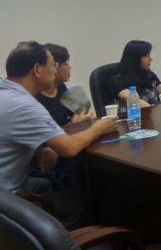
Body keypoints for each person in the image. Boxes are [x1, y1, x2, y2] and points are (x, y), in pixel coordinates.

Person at [0, 42, 119, 228]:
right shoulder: (24, 106)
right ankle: (52, 244)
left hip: (10, 185)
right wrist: (99, 128)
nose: (55, 70)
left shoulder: (5, 91)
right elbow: (69, 148)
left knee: (45, 185)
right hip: (7, 203)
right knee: (80, 203)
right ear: (37, 69)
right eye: (53, 65)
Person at [30, 43, 94, 191]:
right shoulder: (34, 99)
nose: (69, 67)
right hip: (48, 158)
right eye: (65, 64)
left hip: (64, 146)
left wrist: (77, 121)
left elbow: (79, 112)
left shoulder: (60, 88)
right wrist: (75, 126)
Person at [109, 40, 161, 112]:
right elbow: (133, 100)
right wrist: (155, 113)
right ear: (135, 59)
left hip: (153, 115)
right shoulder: (118, 80)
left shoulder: (149, 75)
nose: (151, 59)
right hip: (133, 117)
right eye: (147, 56)